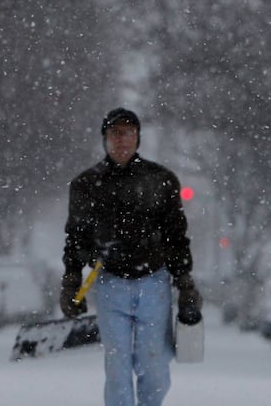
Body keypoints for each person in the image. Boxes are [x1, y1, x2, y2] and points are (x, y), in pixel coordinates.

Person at [61, 107, 202, 406]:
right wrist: (71, 280)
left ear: (138, 138)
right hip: (110, 283)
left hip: (154, 283)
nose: (121, 140)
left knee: (154, 365)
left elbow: (176, 236)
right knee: (117, 366)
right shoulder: (87, 185)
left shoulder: (161, 181)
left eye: (128, 133)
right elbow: (75, 238)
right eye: (114, 133)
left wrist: (185, 282)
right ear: (104, 139)